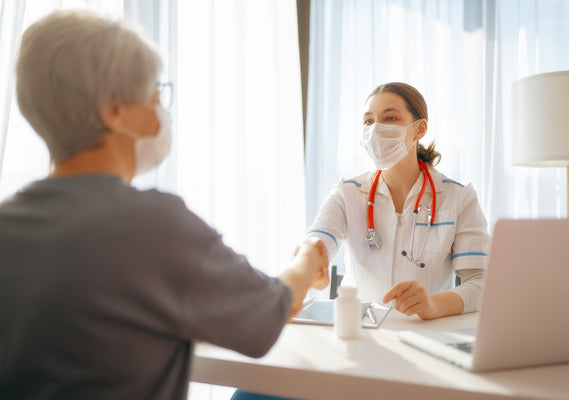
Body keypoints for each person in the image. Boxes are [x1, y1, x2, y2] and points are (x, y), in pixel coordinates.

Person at [0, 10, 328, 399]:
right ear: (113, 110)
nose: (161, 107)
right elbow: (268, 314)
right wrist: (308, 258)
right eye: (155, 92)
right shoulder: (154, 225)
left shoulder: (9, 224)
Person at [306, 82, 490, 320]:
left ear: (419, 129)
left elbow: (482, 284)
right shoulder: (347, 193)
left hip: (427, 334)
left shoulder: (458, 197)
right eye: (369, 121)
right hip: (362, 332)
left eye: (390, 118)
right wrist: (310, 261)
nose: (376, 129)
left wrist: (432, 305)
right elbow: (316, 242)